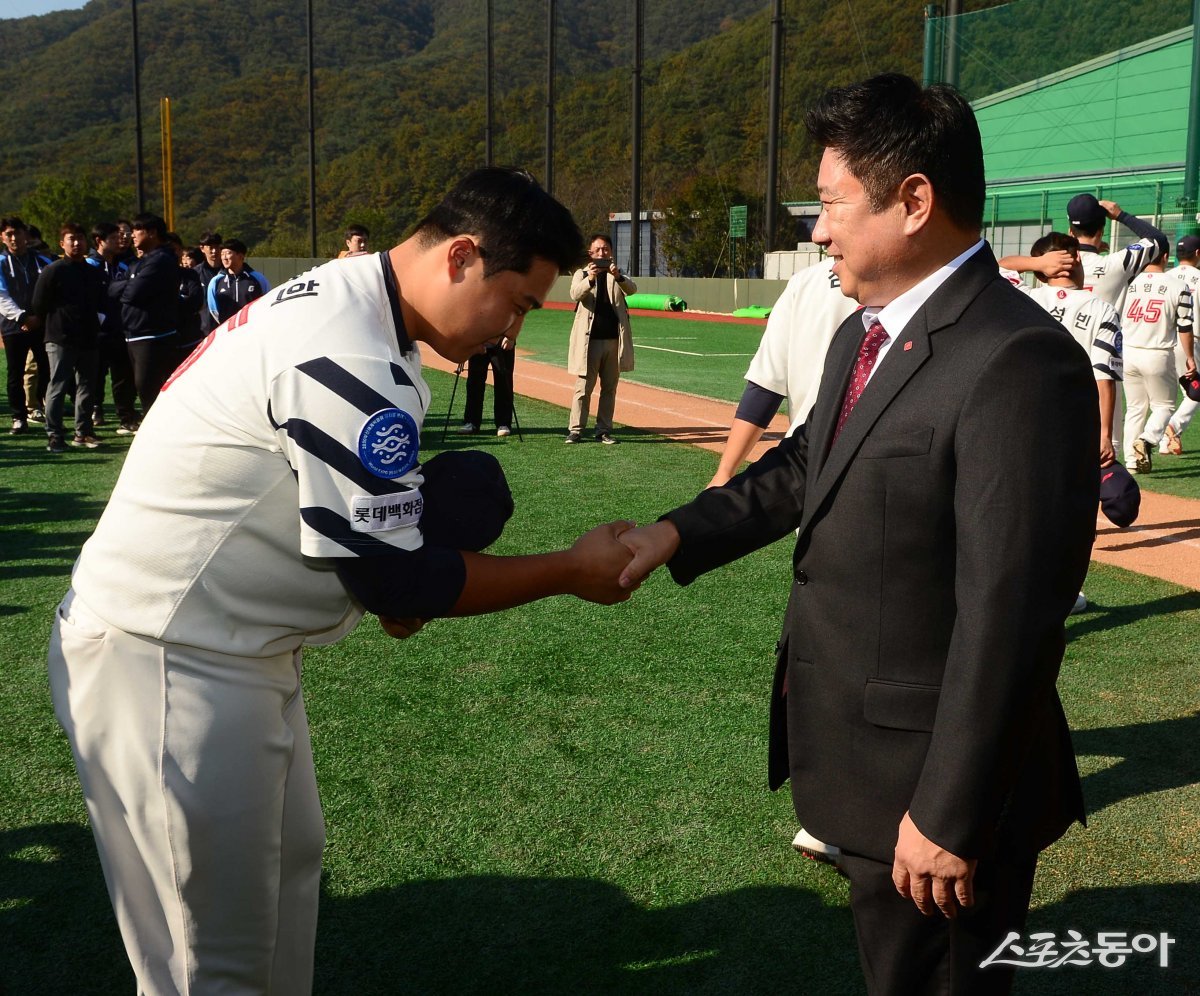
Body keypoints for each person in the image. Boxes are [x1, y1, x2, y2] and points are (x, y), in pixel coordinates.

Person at [48, 167, 635, 995]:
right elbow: (399, 586)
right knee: (208, 963)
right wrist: (570, 570)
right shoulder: (348, 344)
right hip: (168, 658)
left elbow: (379, 551)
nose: (510, 330)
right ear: (462, 256)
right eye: (517, 303)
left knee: (283, 893)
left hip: (230, 647)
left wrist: (410, 563)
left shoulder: (357, 304)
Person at [617, 74, 1097, 995]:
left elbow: (1012, 613)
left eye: (831, 203)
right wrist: (674, 535)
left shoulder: (1017, 360)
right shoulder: (862, 333)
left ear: (913, 200)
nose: (818, 229)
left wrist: (950, 813)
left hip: (935, 791)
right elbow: (806, 468)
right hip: (868, 769)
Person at [708, 258, 857, 488]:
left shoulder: (806, 282)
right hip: (866, 468)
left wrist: (725, 472)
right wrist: (724, 472)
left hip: (807, 465)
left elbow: (765, 386)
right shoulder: (918, 281)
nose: (820, 234)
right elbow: (765, 385)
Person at [30, 222, 104, 452]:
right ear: (62, 244)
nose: (77, 242)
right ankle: (54, 434)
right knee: (58, 386)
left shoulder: (93, 272)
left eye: (80, 238)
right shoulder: (53, 270)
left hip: (88, 337)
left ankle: (83, 432)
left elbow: (101, 301)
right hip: (60, 337)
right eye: (71, 238)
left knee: (86, 386)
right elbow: (38, 303)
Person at [1119, 256, 1194, 473]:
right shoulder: (1179, 286)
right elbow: (1184, 326)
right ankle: (1147, 438)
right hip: (1157, 353)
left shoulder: (1129, 282)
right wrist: (1190, 358)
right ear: (1164, 257)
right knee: (1164, 406)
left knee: (1135, 408)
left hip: (1129, 351)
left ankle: (1132, 463)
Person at [566, 233, 636, 444]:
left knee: (609, 388)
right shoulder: (582, 273)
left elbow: (632, 290)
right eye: (597, 249)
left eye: (605, 249)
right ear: (591, 253)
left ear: (611, 252)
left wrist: (618, 276)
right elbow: (575, 294)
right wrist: (590, 278)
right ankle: (576, 429)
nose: (602, 253)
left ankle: (603, 429)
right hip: (590, 342)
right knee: (583, 387)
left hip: (614, 341)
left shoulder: (618, 274)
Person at [109, 212, 182, 413]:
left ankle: (163, 434)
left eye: (137, 230)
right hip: (136, 335)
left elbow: (131, 294)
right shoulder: (139, 261)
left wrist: (129, 284)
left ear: (151, 233)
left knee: (149, 388)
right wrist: (131, 282)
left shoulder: (161, 260)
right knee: (142, 388)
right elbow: (112, 288)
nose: (131, 235)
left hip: (154, 336)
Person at [85, 221, 139, 434]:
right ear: (100, 241)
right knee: (94, 375)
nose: (120, 241)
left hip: (120, 329)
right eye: (114, 238)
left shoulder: (123, 265)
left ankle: (125, 417)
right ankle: (93, 411)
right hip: (96, 332)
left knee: (123, 375)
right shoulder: (89, 266)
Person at [1, 215, 53, 435]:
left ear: (25, 235)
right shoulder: (1, 263)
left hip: (42, 324)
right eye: (9, 234)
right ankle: (18, 416)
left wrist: (39, 317)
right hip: (14, 326)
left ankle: (45, 409)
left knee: (47, 369)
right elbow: (1, 296)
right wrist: (23, 318)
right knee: (15, 372)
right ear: (2, 238)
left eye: (17, 233)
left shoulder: (43, 261)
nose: (14, 238)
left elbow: (55, 290)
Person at [1162, 234, 1200, 454]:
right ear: (1197, 254)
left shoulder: (1167, 276)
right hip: (1191, 342)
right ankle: (1172, 427)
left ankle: (1164, 443)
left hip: (1165, 341)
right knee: (1194, 394)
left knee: (1169, 396)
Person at [458, 336, 515, 437]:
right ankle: (471, 422)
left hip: (501, 341)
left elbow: (517, 319)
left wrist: (511, 337)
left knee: (503, 382)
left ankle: (503, 423)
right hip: (478, 341)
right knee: (474, 382)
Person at [206, 237, 271, 324]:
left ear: (240, 256)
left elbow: (268, 301)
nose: (224, 258)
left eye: (228, 253)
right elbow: (213, 309)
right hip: (227, 331)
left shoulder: (258, 279)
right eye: (222, 254)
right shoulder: (216, 281)